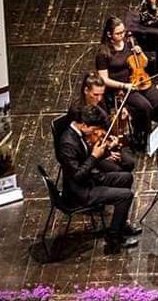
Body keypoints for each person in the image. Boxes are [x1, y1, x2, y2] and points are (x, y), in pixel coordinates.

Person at [57, 105, 142, 252]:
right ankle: (114, 238)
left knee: (127, 177)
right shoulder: (68, 143)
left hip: (90, 178)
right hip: (80, 191)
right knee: (126, 196)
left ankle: (121, 224)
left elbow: (89, 153)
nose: (95, 133)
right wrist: (94, 157)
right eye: (93, 129)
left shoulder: (79, 133)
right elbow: (77, 176)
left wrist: (107, 150)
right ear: (84, 126)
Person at [96, 16, 158, 146]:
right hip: (120, 89)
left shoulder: (129, 43)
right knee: (144, 107)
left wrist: (140, 53)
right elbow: (103, 79)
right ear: (109, 34)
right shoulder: (103, 53)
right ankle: (143, 135)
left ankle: (153, 126)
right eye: (118, 33)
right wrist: (124, 85)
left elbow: (144, 64)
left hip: (138, 81)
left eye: (123, 31)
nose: (122, 35)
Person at [69, 72, 135, 173]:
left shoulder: (99, 103)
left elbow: (106, 127)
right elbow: (81, 143)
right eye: (95, 94)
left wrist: (111, 139)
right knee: (118, 171)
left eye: (101, 94)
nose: (99, 98)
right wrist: (105, 154)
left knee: (129, 163)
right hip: (91, 153)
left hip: (103, 144)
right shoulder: (76, 111)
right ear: (86, 91)